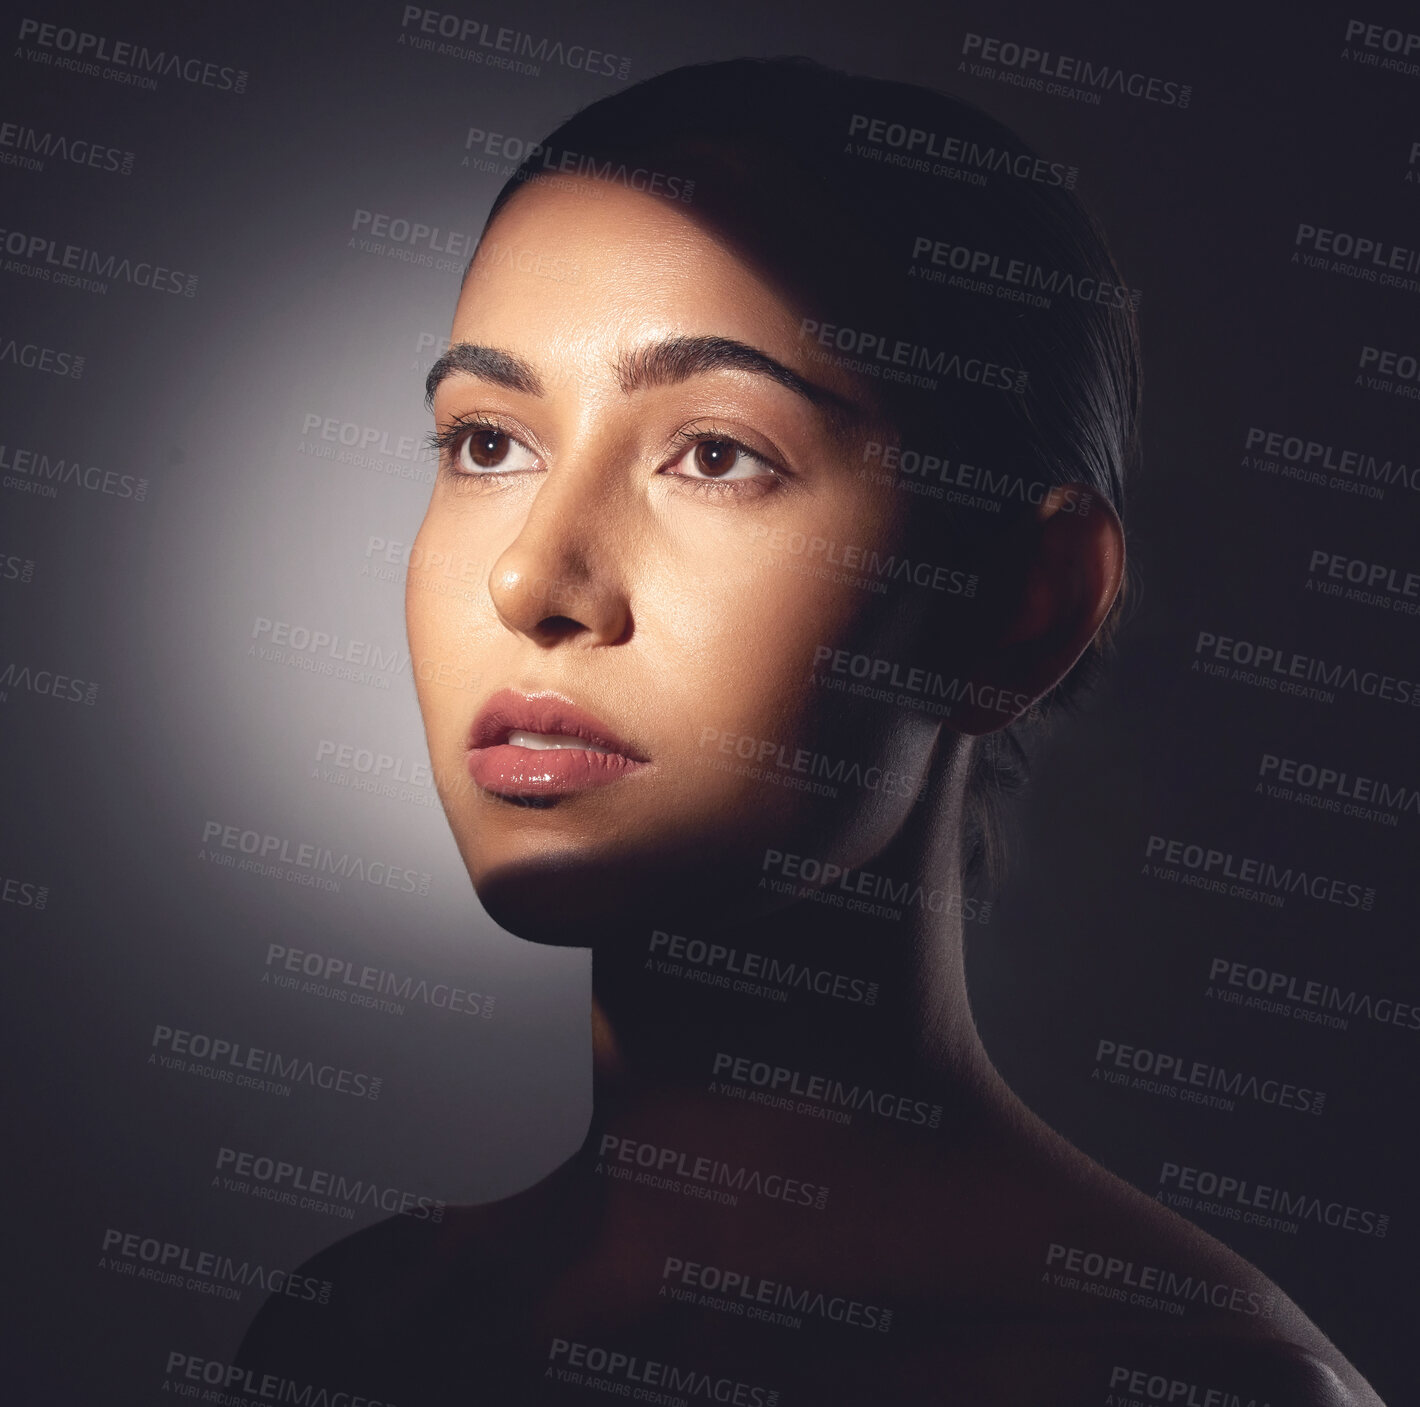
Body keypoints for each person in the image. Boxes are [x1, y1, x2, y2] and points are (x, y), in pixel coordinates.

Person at [239, 58, 1383, 1405]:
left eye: (717, 454)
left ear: (1024, 607)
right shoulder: (361, 1336)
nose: (531, 583)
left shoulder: (1185, 1384)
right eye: (488, 443)